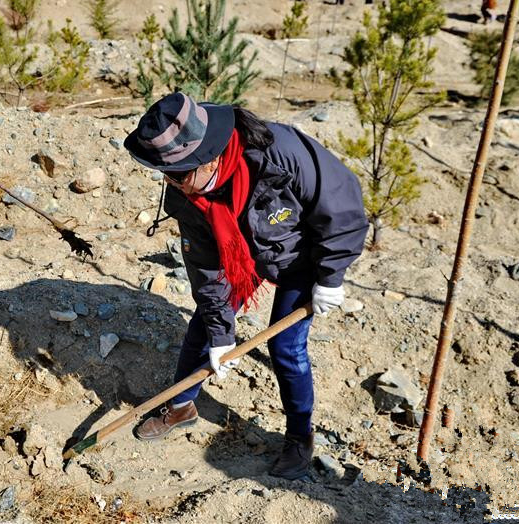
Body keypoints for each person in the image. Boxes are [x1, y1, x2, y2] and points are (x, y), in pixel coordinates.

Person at [124, 93, 368, 481]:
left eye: (180, 175)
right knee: (204, 328)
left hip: (299, 254)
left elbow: (340, 203)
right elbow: (206, 269)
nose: (174, 185)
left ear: (209, 158)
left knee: (285, 346)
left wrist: (331, 276)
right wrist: (223, 336)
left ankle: (300, 436)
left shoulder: (280, 153)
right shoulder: (186, 193)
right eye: (167, 175)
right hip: (239, 255)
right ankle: (182, 404)